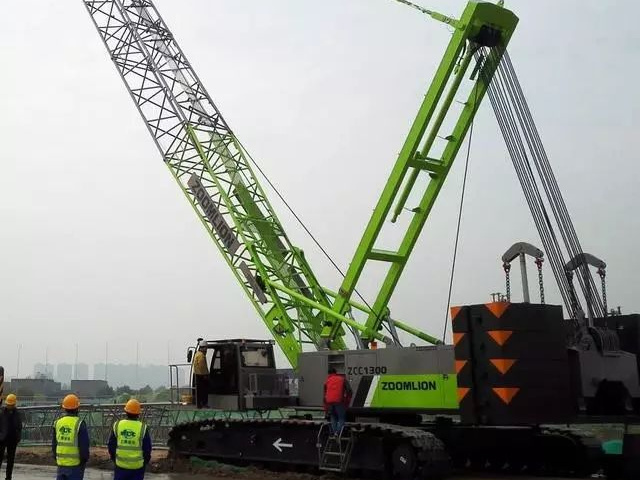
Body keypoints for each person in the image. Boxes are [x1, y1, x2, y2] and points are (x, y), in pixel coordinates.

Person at [108, 399, 152, 480]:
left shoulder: (118, 425)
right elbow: (147, 449)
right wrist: (144, 463)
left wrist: (115, 460)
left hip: (120, 466)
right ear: (138, 413)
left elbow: (111, 446)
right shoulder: (142, 427)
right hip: (137, 468)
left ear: (126, 412)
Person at [52, 394, 89, 480]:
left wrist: (57, 459)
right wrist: (83, 461)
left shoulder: (57, 423)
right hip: (75, 466)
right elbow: (84, 447)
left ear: (64, 408)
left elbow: (54, 445)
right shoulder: (79, 423)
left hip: (61, 465)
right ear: (77, 408)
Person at [323, 368, 352, 436]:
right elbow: (349, 391)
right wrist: (347, 400)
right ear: (336, 372)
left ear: (328, 374)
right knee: (341, 418)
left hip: (329, 402)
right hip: (339, 402)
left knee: (333, 417)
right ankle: (337, 433)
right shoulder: (342, 379)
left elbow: (324, 396)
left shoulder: (326, 381)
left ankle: (334, 432)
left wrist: (325, 408)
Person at [0, 394, 22, 480]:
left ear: (14, 404)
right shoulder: (2, 413)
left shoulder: (17, 414)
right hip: (2, 440)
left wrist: (18, 437)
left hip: (12, 440)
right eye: (8, 405)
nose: (9, 406)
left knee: (10, 460)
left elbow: (19, 426)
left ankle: (8, 477)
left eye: (11, 405)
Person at [192, 341, 209, 408]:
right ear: (203, 348)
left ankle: (199, 404)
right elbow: (202, 366)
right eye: (206, 348)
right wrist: (205, 375)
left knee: (198, 391)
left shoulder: (197, 354)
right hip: (201, 375)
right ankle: (204, 404)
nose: (206, 350)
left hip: (197, 375)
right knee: (203, 391)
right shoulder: (201, 355)